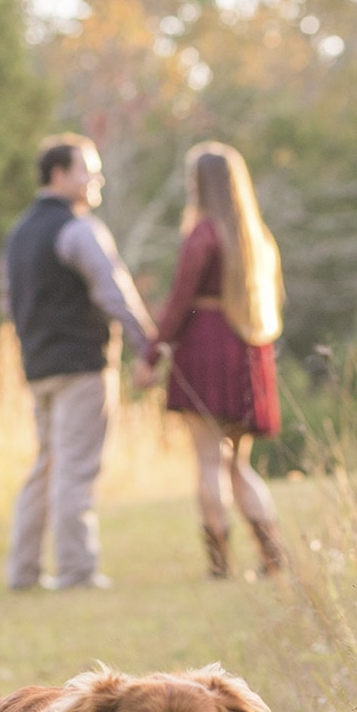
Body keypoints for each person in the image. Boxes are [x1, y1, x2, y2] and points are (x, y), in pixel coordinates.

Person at [1, 133, 155, 590]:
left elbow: (9, 303)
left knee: (45, 465)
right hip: (82, 365)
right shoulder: (79, 229)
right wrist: (147, 346)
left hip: (38, 366)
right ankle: (77, 570)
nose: (96, 178)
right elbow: (113, 292)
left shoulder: (17, 235)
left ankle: (23, 572)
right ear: (60, 174)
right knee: (76, 469)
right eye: (88, 169)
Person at [133, 142, 285, 579]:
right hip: (246, 347)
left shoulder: (204, 233)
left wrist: (152, 354)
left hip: (205, 345)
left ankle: (221, 564)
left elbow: (180, 301)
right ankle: (272, 554)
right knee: (239, 462)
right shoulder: (255, 237)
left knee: (207, 459)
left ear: (201, 184)